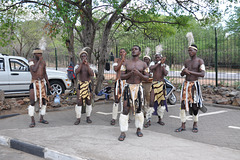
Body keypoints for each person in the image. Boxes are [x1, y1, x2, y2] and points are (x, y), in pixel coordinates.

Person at [118, 45, 149, 141]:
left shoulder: (143, 64)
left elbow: (147, 77)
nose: (133, 51)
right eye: (132, 49)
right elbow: (122, 77)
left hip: (138, 88)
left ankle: (139, 129)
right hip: (128, 88)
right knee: (125, 109)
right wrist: (130, 74)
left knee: (139, 109)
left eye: (135, 49)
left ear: (139, 52)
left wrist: (139, 74)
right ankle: (123, 132)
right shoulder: (126, 63)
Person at [175, 44, 205, 133]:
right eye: (188, 50)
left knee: (195, 106)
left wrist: (190, 72)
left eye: (191, 50)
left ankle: (195, 124)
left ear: (196, 51)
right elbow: (181, 74)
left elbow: (202, 74)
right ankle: (183, 125)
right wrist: (184, 71)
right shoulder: (186, 61)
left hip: (194, 86)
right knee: (182, 105)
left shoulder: (200, 61)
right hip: (185, 85)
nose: (190, 52)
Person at [28, 48, 52, 128]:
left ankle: (41, 118)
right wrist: (39, 61)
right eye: (38, 54)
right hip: (34, 83)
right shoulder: (30, 61)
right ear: (35, 54)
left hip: (42, 83)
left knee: (44, 101)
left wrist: (48, 85)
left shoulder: (43, 62)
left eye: (41, 54)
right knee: (32, 102)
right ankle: (32, 120)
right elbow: (34, 70)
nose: (40, 55)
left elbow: (45, 74)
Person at [144, 54, 169, 128]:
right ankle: (148, 120)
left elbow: (165, 73)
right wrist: (159, 63)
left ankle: (160, 119)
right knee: (151, 102)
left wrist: (161, 65)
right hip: (154, 85)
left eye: (159, 57)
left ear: (161, 58)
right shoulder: (153, 64)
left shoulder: (165, 66)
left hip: (161, 85)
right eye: (156, 57)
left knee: (161, 103)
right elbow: (151, 68)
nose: (157, 58)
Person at [74, 50, 94, 125]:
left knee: (88, 101)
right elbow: (76, 72)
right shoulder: (78, 65)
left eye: (84, 56)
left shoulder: (90, 65)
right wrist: (82, 64)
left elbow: (91, 74)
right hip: (80, 84)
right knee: (79, 101)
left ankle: (88, 117)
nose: (83, 57)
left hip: (87, 84)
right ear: (80, 57)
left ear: (87, 57)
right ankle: (78, 118)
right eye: (82, 56)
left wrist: (87, 65)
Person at [110, 48, 127, 125]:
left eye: (123, 52)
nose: (122, 53)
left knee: (125, 100)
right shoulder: (116, 60)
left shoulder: (128, 62)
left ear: (126, 53)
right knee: (116, 99)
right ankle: (114, 118)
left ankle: (125, 116)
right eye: (121, 52)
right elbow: (116, 69)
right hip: (118, 81)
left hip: (126, 82)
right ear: (120, 54)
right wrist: (121, 61)